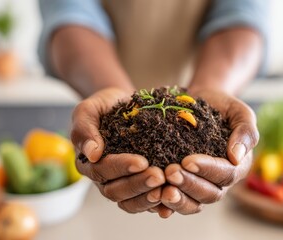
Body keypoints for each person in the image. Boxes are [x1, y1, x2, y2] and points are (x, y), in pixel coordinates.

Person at [38, 0, 268, 218]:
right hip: (106, 120)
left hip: (205, 82)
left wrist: (212, 89)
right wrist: (110, 88)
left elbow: (243, 13)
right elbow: (69, 13)